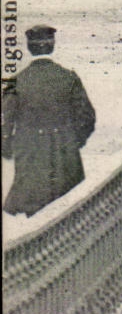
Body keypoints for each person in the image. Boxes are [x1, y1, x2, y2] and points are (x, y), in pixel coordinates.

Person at [2, 26, 97, 216]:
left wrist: (12, 148)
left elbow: (5, 124)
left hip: (30, 161)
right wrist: (73, 142)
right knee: (69, 213)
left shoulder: (16, 82)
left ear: (29, 48)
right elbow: (87, 117)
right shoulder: (68, 78)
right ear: (52, 45)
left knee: (30, 214)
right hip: (66, 158)